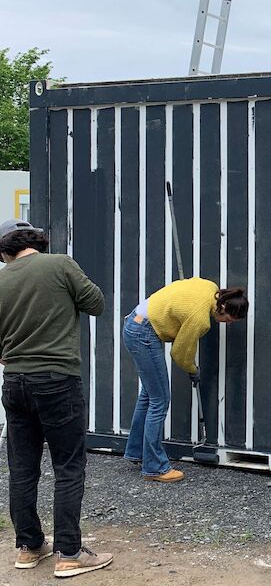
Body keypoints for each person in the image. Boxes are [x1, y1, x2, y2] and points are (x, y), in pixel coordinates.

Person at [0, 219, 114, 577]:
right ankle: (68, 553)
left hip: (14, 382)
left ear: (5, 251)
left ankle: (29, 547)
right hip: (56, 379)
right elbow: (96, 303)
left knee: (21, 467)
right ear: (38, 241)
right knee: (67, 466)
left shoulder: (2, 278)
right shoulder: (60, 264)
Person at [123, 278, 248, 482]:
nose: (227, 324)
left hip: (135, 321)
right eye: (228, 320)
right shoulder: (200, 319)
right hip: (143, 333)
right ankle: (154, 467)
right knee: (159, 400)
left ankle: (137, 451)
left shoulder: (209, 287)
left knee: (149, 396)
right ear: (223, 307)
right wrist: (193, 369)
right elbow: (180, 353)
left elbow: (181, 286)